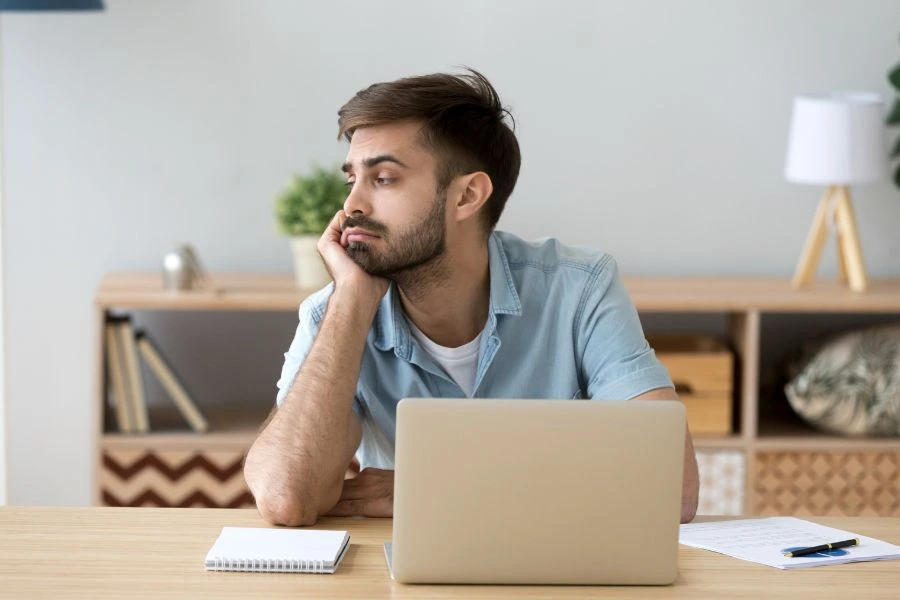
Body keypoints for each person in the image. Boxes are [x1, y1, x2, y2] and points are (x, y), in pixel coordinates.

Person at [243, 69, 700, 527]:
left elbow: (671, 489)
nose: (352, 207)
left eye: (383, 178)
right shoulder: (336, 311)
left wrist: (437, 486)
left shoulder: (579, 289)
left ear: (466, 195)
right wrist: (351, 302)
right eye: (352, 181)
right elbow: (286, 497)